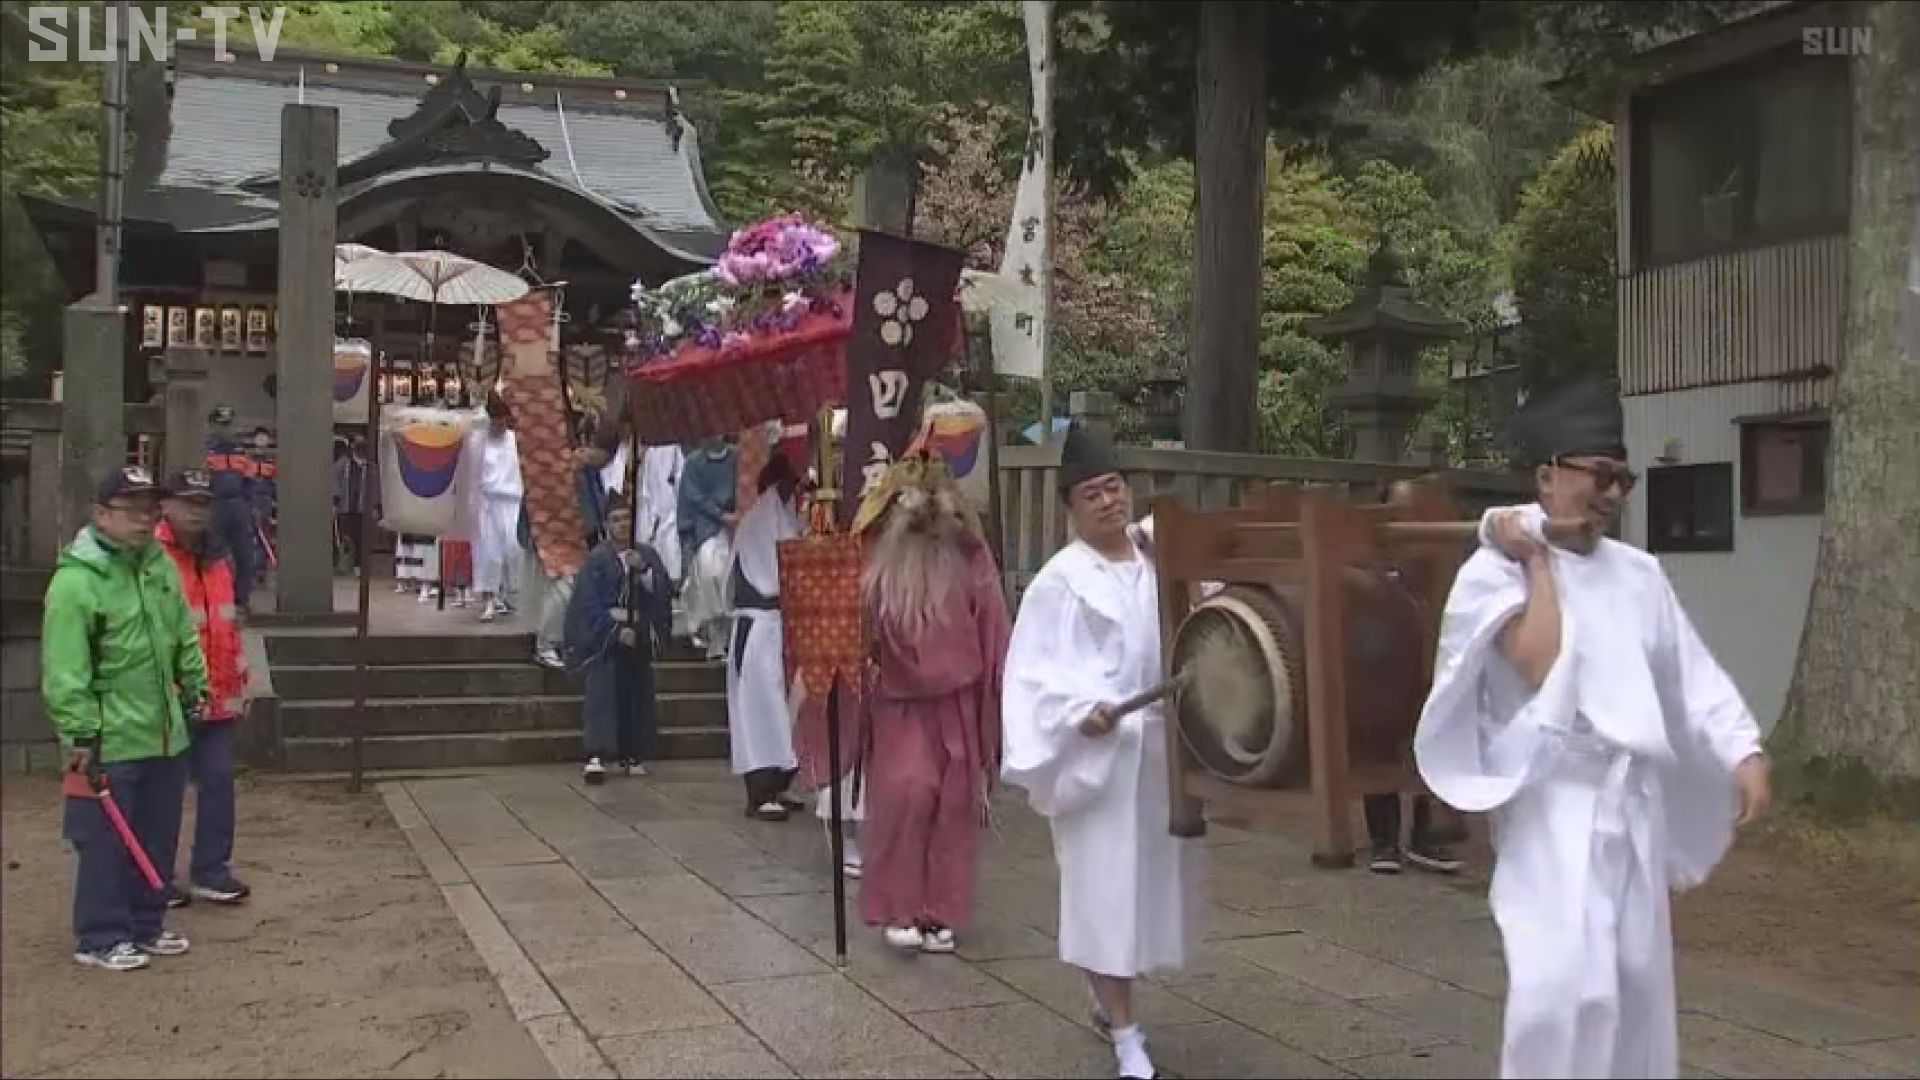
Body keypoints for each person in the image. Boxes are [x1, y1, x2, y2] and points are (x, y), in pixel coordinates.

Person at [1414, 379, 1772, 1080]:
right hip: (1553, 798)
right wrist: (1538, 559)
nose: (1610, 494)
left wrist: (1742, 747)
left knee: (1635, 983)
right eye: (1598, 476)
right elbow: (1540, 659)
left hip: (1630, 799)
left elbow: (1689, 670)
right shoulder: (1494, 571)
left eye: (1622, 481)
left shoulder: (1639, 574)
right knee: (1558, 988)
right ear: (1548, 477)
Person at [1002, 424, 1201, 1080]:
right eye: (1092, 494)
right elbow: (1031, 676)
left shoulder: (1157, 557)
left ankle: (1107, 996)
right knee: (1102, 895)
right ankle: (1126, 1034)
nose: (1109, 501)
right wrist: (1075, 713)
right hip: (1097, 763)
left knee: (1146, 895)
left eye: (1114, 487)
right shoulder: (1060, 583)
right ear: (1071, 507)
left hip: (1157, 754)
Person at [42, 465, 209, 971]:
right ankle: (100, 934)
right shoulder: (76, 583)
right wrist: (80, 733)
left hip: (163, 730)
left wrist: (195, 686)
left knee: (157, 835)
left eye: (149, 509)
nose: (143, 519)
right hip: (108, 736)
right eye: (130, 509)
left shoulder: (159, 568)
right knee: (105, 841)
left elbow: (182, 633)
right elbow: (66, 667)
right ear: (101, 514)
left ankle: (146, 922)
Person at [852, 453, 1011, 953]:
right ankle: (899, 905)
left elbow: (994, 631)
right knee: (908, 794)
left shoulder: (971, 558)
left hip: (957, 700)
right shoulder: (880, 565)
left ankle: (940, 910)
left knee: (953, 804)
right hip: (900, 703)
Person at [154, 470, 252, 906]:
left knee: (218, 782)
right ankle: (156, 875)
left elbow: (228, 625)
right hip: (170, 697)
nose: (196, 513)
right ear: (166, 506)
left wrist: (240, 682)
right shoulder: (152, 558)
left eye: (203, 504)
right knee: (163, 792)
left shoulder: (218, 558)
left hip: (217, 693)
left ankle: (212, 869)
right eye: (187, 503)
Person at [565, 500, 673, 783]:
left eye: (626, 518)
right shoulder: (597, 559)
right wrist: (614, 630)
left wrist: (645, 572)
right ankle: (596, 754)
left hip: (639, 632)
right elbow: (587, 602)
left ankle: (633, 752)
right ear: (606, 525)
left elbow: (663, 592)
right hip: (606, 635)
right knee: (602, 694)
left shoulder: (647, 555)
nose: (622, 524)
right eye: (616, 519)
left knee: (636, 694)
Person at [725, 455, 802, 820]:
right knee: (758, 710)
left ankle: (779, 782)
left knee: (784, 708)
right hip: (757, 628)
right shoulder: (762, 520)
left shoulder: (778, 517)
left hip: (776, 625)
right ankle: (760, 790)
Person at [679, 436, 738, 658]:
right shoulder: (693, 463)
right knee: (710, 572)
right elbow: (693, 497)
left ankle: (729, 637)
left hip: (738, 525)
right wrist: (720, 515)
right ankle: (714, 636)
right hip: (706, 528)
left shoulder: (737, 457)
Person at [473, 392, 526, 622]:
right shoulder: (478, 441)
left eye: (501, 421)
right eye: (494, 421)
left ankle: (510, 595)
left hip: (513, 501)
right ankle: (489, 600)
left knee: (514, 549)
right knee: (489, 552)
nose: (498, 426)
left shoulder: (516, 441)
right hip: (487, 502)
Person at [202, 406, 257, 612]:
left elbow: (250, 480)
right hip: (214, 505)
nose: (226, 429)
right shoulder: (203, 450)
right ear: (212, 425)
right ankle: (214, 597)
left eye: (229, 425)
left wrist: (252, 506)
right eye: (222, 425)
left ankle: (241, 599)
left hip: (238, 505)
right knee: (213, 553)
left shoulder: (240, 451)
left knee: (245, 554)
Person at [331, 435, 374, 573]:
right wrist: (335, 502)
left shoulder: (370, 466)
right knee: (345, 538)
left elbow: (375, 487)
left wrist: (375, 506)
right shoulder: (343, 463)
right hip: (345, 507)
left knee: (362, 538)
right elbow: (335, 481)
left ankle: (359, 566)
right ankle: (344, 564)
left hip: (363, 509)